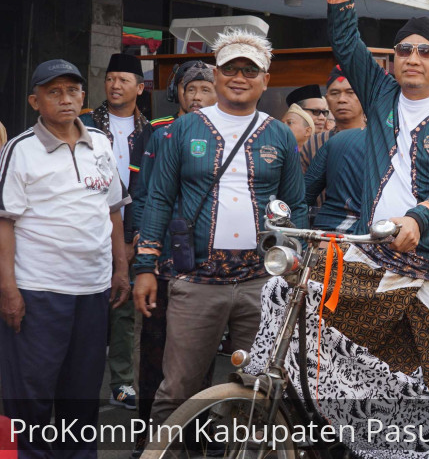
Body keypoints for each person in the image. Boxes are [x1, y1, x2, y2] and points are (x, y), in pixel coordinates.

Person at [244, 0, 429, 456]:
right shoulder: (379, 96)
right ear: (392, 61)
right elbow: (344, 34)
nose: (413, 58)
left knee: (418, 393)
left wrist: (419, 219)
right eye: (403, 50)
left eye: (426, 51)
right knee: (292, 287)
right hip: (367, 249)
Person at [134, 29, 307, 428]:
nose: (240, 77)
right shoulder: (181, 131)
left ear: (265, 80)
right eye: (231, 68)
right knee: (179, 387)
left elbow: (295, 206)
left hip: (260, 282)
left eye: (251, 70)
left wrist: (293, 263)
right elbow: (158, 199)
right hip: (195, 279)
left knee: (255, 388)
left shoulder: (279, 134)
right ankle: (170, 454)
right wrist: (145, 266)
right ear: (216, 74)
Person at [1, 59, 131, 459]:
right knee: (27, 394)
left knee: (82, 392)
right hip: (37, 291)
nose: (65, 99)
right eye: (53, 92)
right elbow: (4, 223)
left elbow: (112, 212)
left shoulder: (100, 143)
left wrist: (121, 267)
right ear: (34, 100)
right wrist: (8, 289)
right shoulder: (19, 149)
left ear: (83, 97)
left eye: (72, 91)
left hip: (91, 290)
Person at [130, 60, 217, 454]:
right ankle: (147, 440)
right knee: (156, 350)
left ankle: (195, 438)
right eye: (191, 89)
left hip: (209, 265)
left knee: (202, 356)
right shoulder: (158, 132)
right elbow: (144, 195)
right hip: (164, 260)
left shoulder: (228, 130)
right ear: (176, 92)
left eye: (206, 89)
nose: (198, 97)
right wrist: (148, 251)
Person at [80, 52, 151, 411]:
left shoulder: (152, 130)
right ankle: (79, 382)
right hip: (89, 227)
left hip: (134, 228)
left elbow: (154, 185)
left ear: (140, 87)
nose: (115, 85)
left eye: (124, 79)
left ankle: (122, 382)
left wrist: (144, 232)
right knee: (87, 308)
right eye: (110, 78)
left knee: (124, 307)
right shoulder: (83, 123)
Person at [299, 66, 366, 172]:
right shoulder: (314, 144)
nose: (341, 99)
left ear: (364, 97)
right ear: (327, 99)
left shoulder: (380, 139)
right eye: (334, 93)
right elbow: (302, 186)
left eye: (350, 92)